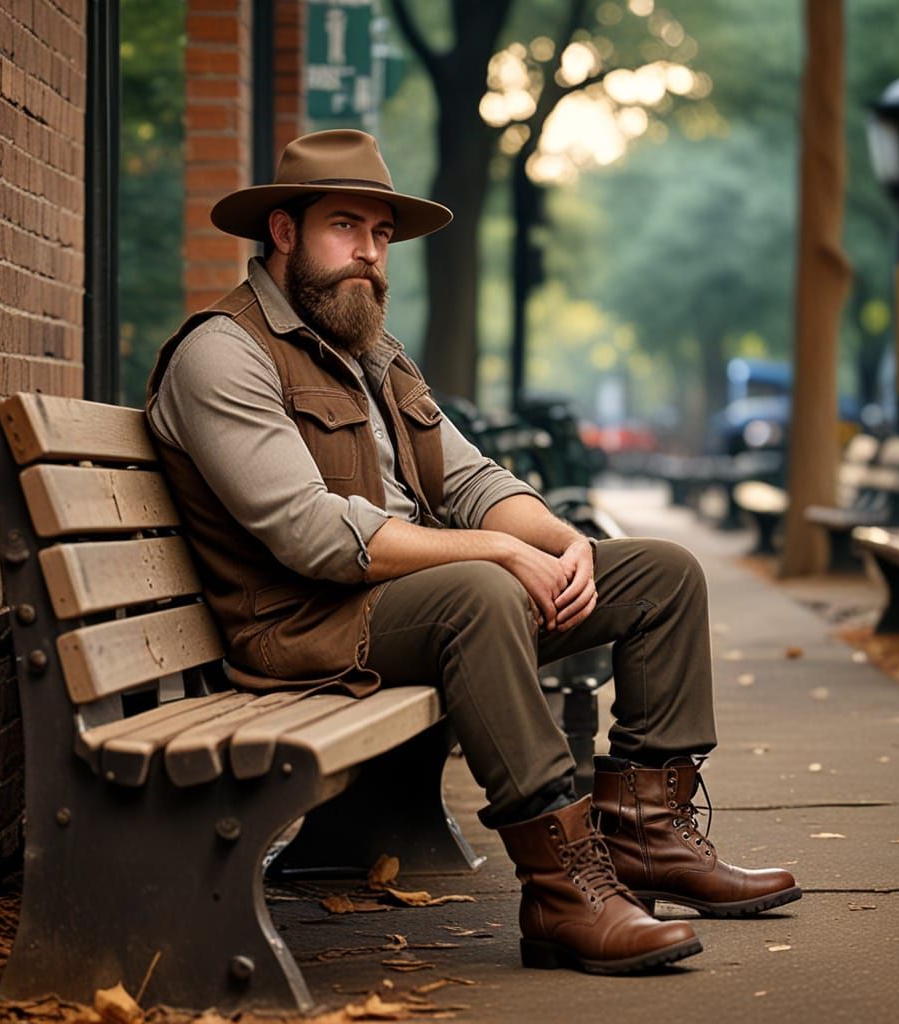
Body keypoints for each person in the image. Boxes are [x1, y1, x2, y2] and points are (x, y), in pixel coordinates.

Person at [146, 129, 801, 976]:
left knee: (660, 575)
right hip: (302, 626)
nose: (370, 252)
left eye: (382, 234)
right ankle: (560, 892)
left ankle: (650, 839)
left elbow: (471, 478)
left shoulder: (374, 357)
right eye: (345, 226)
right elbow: (311, 533)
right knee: (480, 594)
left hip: (405, 602)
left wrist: (565, 543)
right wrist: (497, 553)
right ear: (282, 231)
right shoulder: (222, 353)